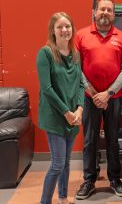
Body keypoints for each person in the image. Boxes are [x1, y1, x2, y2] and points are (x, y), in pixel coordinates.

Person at [75, 0, 122, 200]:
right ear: (95, 12)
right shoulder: (81, 35)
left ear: (114, 15)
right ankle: (89, 180)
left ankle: (115, 179)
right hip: (89, 98)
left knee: (113, 139)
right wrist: (92, 92)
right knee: (90, 140)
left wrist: (107, 93)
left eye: (109, 10)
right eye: (102, 9)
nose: (105, 13)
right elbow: (76, 67)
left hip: (113, 97)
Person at [36, 12, 84, 204]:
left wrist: (79, 110)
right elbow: (46, 89)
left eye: (68, 26)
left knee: (65, 162)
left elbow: (81, 84)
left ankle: (63, 198)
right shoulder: (45, 53)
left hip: (73, 116)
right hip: (56, 116)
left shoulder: (75, 54)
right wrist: (66, 112)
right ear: (53, 31)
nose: (65, 30)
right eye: (60, 27)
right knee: (57, 164)